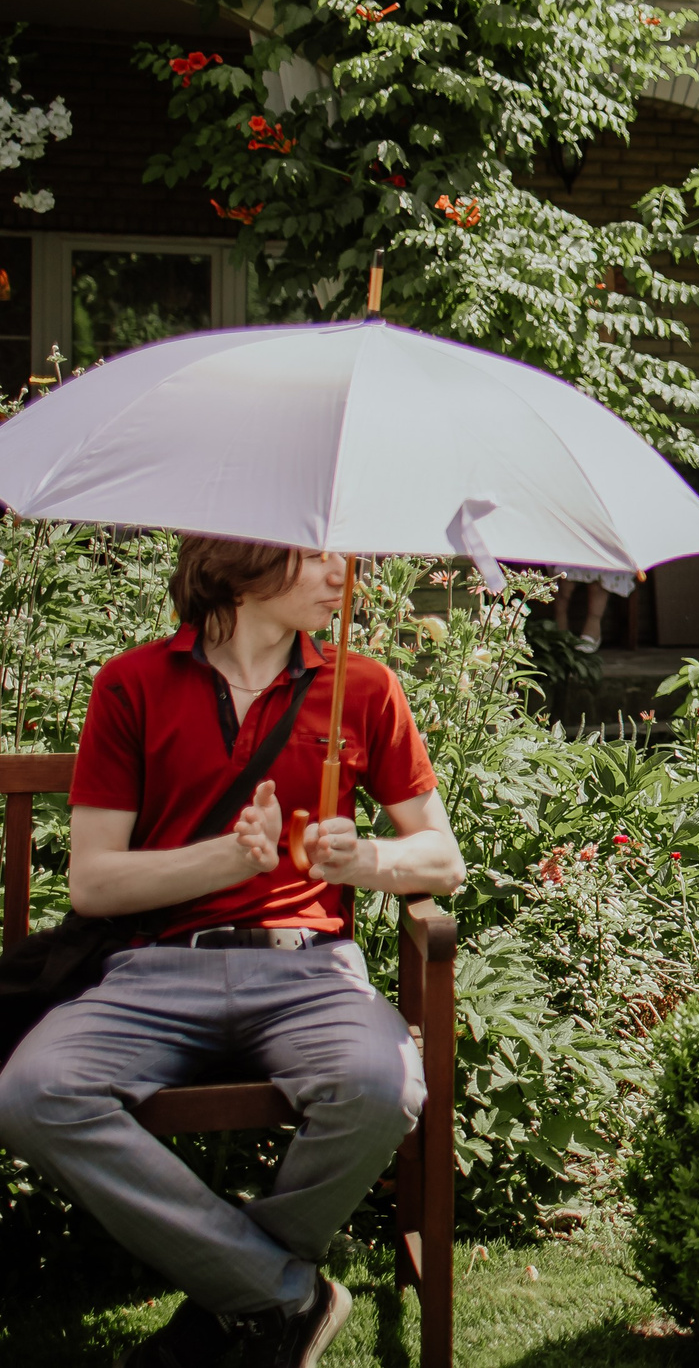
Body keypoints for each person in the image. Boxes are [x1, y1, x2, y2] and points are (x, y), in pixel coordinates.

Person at [0, 540, 467, 1368]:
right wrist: (225, 858)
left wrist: (366, 863)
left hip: (307, 970)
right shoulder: (133, 683)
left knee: (381, 1085)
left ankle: (234, 1304)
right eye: (318, 557)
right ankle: (285, 1294)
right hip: (152, 968)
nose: (341, 578)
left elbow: (443, 860)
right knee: (35, 1094)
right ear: (244, 564)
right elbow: (94, 885)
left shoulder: (363, 687)